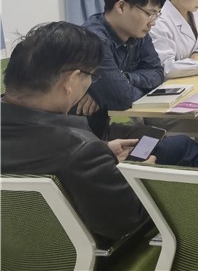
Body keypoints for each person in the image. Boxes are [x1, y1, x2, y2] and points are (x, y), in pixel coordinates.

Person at [1, 22, 150, 241]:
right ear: (70, 81)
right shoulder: (81, 150)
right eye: (91, 76)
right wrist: (144, 180)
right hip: (79, 254)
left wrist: (101, 153)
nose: (90, 83)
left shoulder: (81, 150)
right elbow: (124, 224)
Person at [80, 0, 198, 167]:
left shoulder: (137, 32)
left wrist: (122, 79)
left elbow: (158, 74)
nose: (153, 22)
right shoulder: (94, 41)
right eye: (149, 13)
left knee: (178, 143)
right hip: (90, 143)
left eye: (157, 14)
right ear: (121, 7)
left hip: (105, 131)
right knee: (183, 147)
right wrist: (111, 91)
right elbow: (123, 99)